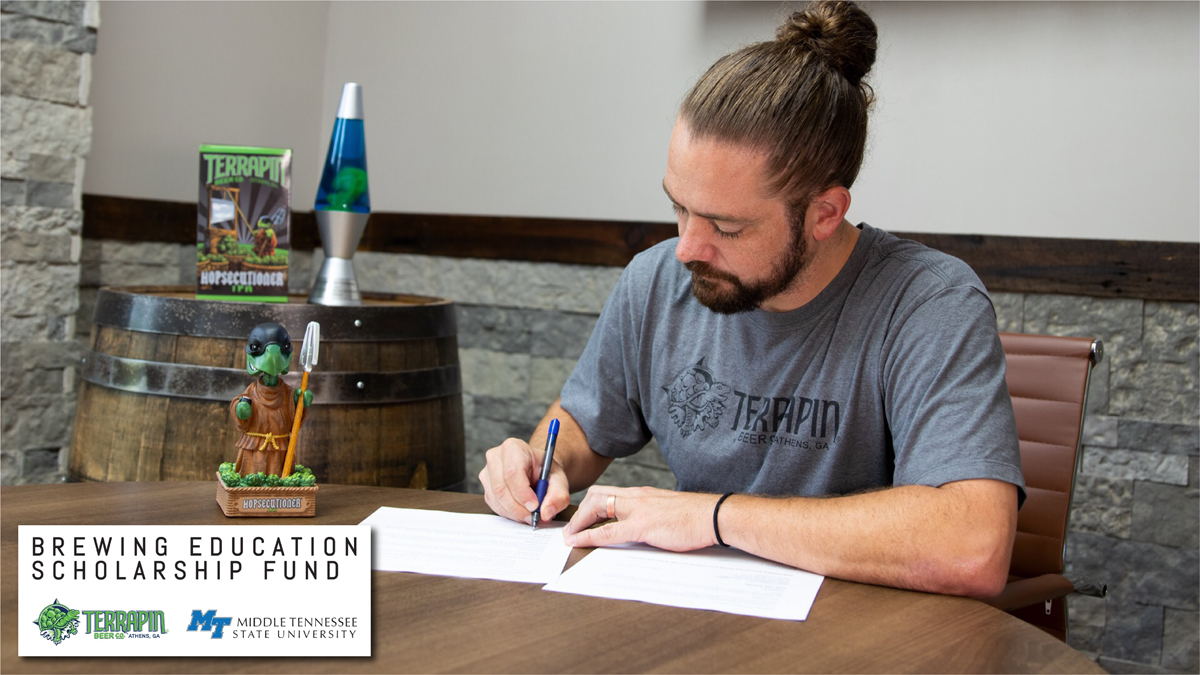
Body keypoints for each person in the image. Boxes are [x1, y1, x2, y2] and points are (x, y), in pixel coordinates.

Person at [479, 0, 1023, 599]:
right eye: (678, 208)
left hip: (862, 636)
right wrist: (540, 463)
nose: (686, 248)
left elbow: (971, 545)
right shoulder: (657, 281)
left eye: (726, 228)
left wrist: (714, 517)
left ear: (824, 214)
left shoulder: (929, 304)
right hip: (701, 622)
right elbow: (583, 426)